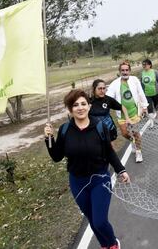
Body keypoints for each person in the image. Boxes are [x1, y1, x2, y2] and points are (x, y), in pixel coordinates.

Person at [44, 89, 130, 249]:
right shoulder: (65, 130)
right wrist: (48, 138)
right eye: (75, 105)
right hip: (77, 182)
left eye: (83, 104)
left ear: (89, 106)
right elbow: (57, 157)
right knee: (92, 220)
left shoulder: (99, 126)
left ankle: (113, 244)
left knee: (100, 221)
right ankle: (105, 245)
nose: (80, 107)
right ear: (70, 109)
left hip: (100, 179)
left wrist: (121, 170)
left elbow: (109, 152)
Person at [107, 61, 148, 163]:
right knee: (125, 133)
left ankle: (138, 152)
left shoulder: (134, 80)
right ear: (120, 71)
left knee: (135, 133)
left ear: (129, 71)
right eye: (123, 70)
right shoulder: (115, 84)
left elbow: (140, 93)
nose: (125, 72)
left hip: (134, 112)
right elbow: (108, 97)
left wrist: (144, 106)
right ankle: (133, 142)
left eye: (126, 70)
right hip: (121, 115)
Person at [89, 79, 131, 146]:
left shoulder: (108, 100)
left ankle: (133, 143)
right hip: (94, 131)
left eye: (104, 88)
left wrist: (127, 118)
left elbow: (122, 107)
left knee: (110, 148)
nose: (102, 91)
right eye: (99, 88)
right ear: (94, 89)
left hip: (108, 129)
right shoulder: (88, 101)